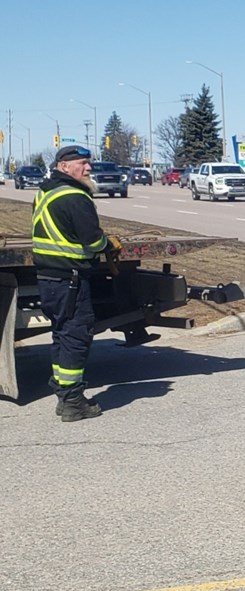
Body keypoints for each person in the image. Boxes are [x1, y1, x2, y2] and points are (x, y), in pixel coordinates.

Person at [31, 145, 119, 421]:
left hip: (49, 278)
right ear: (63, 166)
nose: (88, 168)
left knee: (61, 334)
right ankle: (73, 402)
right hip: (70, 279)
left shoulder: (46, 191)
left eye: (88, 163)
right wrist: (108, 244)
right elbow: (93, 241)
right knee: (76, 337)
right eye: (82, 163)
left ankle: (63, 394)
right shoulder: (75, 196)